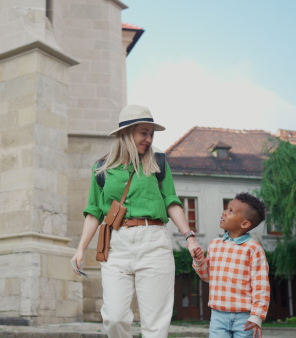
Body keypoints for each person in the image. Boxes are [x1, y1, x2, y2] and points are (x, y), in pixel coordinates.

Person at [71, 104, 201, 338]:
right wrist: (80, 249)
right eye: (144, 132)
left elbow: (172, 202)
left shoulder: (158, 163)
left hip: (153, 242)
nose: (149, 139)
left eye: (151, 133)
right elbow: (94, 212)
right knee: (114, 317)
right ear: (126, 133)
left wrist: (189, 238)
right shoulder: (101, 169)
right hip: (116, 244)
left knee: (155, 323)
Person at [191, 192, 270, 338]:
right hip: (218, 316)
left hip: (245, 318)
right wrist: (199, 261)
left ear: (245, 223)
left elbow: (261, 285)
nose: (224, 213)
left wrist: (257, 315)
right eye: (226, 209)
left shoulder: (253, 249)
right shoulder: (215, 245)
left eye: (231, 211)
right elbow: (207, 276)